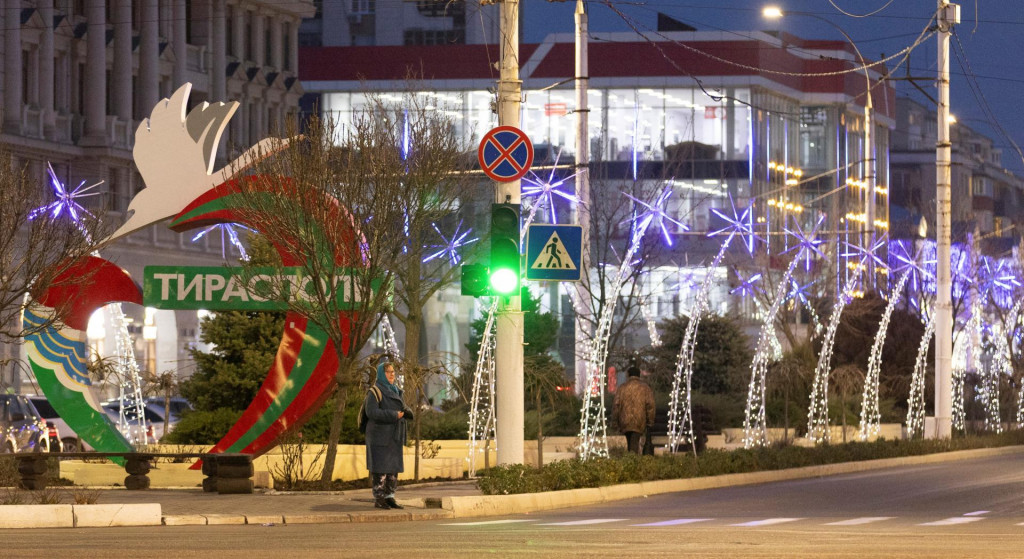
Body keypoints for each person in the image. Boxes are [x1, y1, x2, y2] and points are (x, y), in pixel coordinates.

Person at [364, 361, 413, 509]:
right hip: (379, 436)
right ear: (381, 374)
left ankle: (390, 496)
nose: (392, 374)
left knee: (392, 469)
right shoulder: (375, 391)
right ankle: (379, 498)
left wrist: (408, 413)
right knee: (381, 469)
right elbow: (371, 412)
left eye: (393, 372)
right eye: (389, 372)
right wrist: (393, 415)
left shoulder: (396, 390)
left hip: (394, 435)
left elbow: (402, 407)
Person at [611, 363, 655, 455]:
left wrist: (615, 422)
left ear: (628, 375)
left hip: (625, 421)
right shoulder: (645, 388)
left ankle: (630, 461)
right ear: (639, 375)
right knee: (634, 443)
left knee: (630, 443)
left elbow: (616, 405)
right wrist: (650, 422)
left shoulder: (622, 388)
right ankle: (632, 463)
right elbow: (650, 405)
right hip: (639, 421)